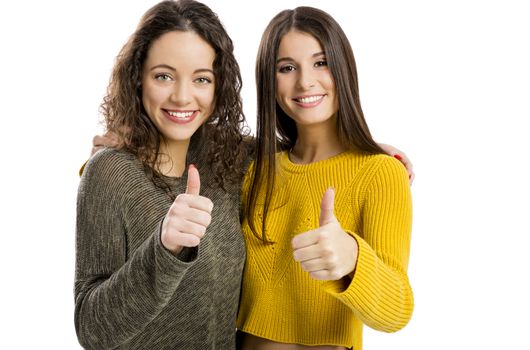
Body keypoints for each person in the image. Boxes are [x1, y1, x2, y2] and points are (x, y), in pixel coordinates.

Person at [74, 0, 252, 348]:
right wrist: (165, 247)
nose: (182, 96)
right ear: (137, 78)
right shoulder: (109, 173)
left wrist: (365, 143)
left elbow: (305, 148)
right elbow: (92, 330)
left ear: (220, 88)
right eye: (164, 76)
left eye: (202, 79)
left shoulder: (228, 156)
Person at [236, 6, 413, 350]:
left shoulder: (380, 172)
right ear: (269, 82)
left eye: (321, 63)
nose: (305, 81)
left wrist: (352, 260)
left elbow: (397, 312)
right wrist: (111, 146)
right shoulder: (254, 170)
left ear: (344, 69)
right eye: (287, 68)